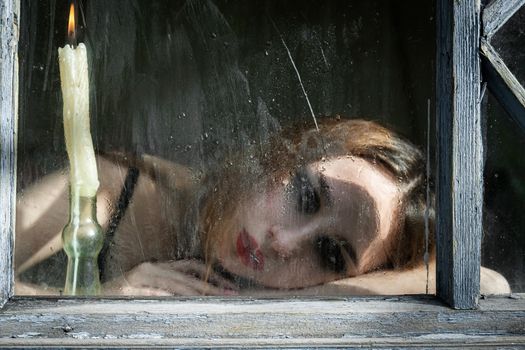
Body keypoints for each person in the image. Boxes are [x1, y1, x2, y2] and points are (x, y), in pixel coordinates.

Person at [15, 118, 510, 296]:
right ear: (281, 160)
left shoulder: (272, 297)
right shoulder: (115, 189)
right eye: (305, 197)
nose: (284, 242)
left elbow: (489, 283)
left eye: (331, 256)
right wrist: (104, 302)